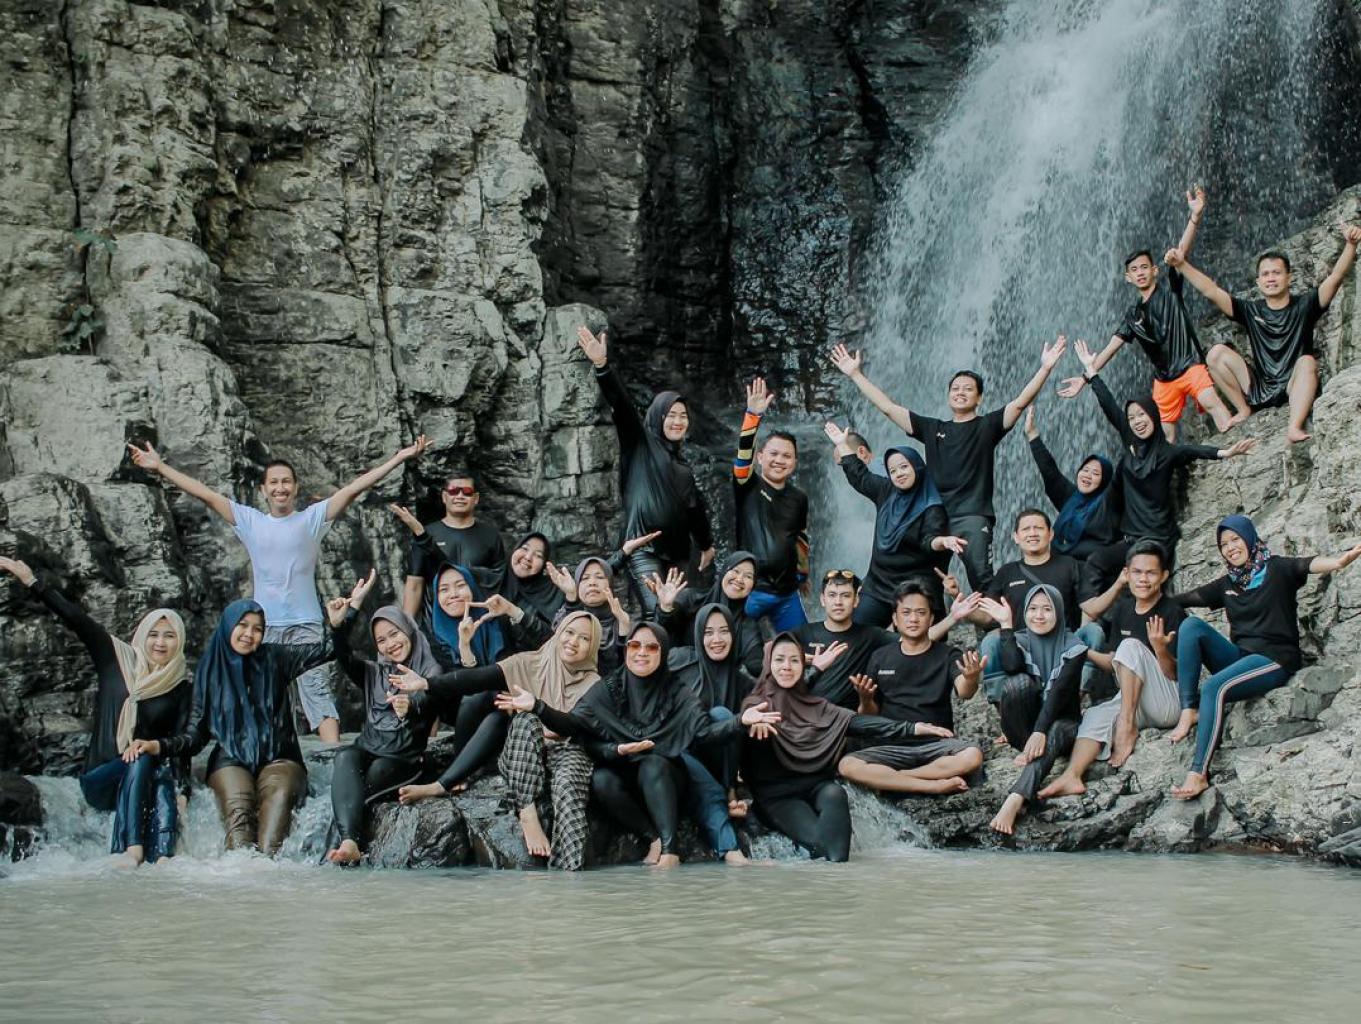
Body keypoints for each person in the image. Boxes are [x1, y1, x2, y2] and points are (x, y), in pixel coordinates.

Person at [127, 435, 429, 743]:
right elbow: (205, 494)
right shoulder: (250, 521)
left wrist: (399, 457)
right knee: (266, 696)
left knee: (317, 693)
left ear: (296, 488)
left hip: (306, 625)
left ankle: (332, 754)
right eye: (273, 482)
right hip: (264, 629)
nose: (280, 487)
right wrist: (160, 467)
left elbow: (354, 488)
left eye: (286, 482)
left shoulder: (312, 519)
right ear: (263, 489)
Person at [501, 622, 782, 867]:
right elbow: (573, 724)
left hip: (666, 778)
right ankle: (652, 838)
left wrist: (740, 721)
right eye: (635, 645)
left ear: (663, 652)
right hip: (624, 774)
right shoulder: (609, 688)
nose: (641, 653)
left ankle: (670, 851)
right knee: (601, 780)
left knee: (653, 763)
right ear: (626, 650)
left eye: (651, 647)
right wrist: (537, 706)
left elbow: (705, 733)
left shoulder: (677, 691)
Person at [829, 335, 1067, 593]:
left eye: (968, 389)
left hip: (972, 516)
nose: (960, 392)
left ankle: (997, 619)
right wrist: (855, 375)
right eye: (955, 388)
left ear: (979, 398)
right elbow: (888, 408)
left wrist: (1045, 369)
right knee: (922, 581)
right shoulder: (932, 428)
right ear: (948, 395)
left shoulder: (987, 427)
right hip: (933, 516)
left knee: (982, 579)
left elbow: (1020, 403)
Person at [1, 557, 190, 867]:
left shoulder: (180, 686)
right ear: (143, 635)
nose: (160, 642)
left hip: (144, 780)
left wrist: (184, 792)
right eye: (154, 634)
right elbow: (76, 619)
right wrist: (31, 581)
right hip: (100, 779)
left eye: (169, 636)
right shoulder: (115, 658)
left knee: (159, 771)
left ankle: (163, 859)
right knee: (141, 758)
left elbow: (180, 744)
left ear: (179, 641)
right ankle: (132, 849)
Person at [393, 612, 606, 870]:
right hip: (524, 752)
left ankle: (569, 873)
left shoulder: (594, 684)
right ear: (558, 633)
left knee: (569, 787)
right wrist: (427, 683)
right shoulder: (528, 663)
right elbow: (477, 679)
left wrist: (538, 706)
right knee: (523, 720)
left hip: (567, 752)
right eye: (569, 633)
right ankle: (527, 814)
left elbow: (572, 726)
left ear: (592, 646)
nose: (573, 641)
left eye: (584, 638)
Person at [1168, 516, 1361, 800]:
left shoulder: (1277, 568)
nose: (1230, 548)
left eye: (1235, 539)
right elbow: (1180, 600)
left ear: (1249, 538)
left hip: (1274, 659)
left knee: (1213, 687)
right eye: (1224, 544)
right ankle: (1189, 708)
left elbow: (1307, 564)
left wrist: (1339, 562)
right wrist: (1150, 599)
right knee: (1191, 626)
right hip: (1241, 658)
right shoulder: (1228, 584)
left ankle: (1198, 774)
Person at [125, 598, 336, 855]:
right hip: (230, 759)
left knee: (279, 798)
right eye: (242, 625)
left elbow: (326, 650)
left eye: (257, 629)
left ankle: (269, 865)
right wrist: (158, 745)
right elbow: (195, 736)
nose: (249, 634)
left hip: (280, 757)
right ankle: (240, 869)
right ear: (228, 626)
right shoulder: (209, 671)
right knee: (238, 810)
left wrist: (338, 623)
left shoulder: (275, 657)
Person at [739, 633, 954, 861]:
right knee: (822, 846)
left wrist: (912, 728)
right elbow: (739, 733)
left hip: (815, 785)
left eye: (794, 660)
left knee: (835, 795)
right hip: (779, 796)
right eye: (779, 660)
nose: (786, 666)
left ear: (803, 666)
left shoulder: (813, 704)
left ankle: (841, 875)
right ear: (768, 664)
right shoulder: (756, 706)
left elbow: (857, 723)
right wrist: (750, 725)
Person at [1065, 340, 1256, 594]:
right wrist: (1091, 372)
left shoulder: (1166, 452)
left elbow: (1194, 451)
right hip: (1131, 537)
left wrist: (1226, 452)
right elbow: (1110, 406)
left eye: (1142, 415)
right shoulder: (1130, 441)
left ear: (1154, 415)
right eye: (1132, 417)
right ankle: (1092, 612)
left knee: (1142, 580)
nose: (1137, 421)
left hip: (1157, 538)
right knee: (1096, 562)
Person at [1056, 187, 1233, 440]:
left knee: (1213, 403)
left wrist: (1195, 217)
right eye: (1134, 270)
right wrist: (1084, 379)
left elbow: (1181, 252)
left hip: (1190, 366)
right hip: (1164, 381)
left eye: (1144, 267)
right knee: (1164, 438)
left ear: (1154, 271)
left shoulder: (1170, 288)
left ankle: (1235, 447)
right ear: (1127, 278)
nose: (1140, 273)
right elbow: (1110, 349)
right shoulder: (1132, 316)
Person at [1167, 221, 1361, 442]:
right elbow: (1211, 291)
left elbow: (1335, 277)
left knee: (1308, 361)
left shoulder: (1306, 305)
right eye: (1266, 274)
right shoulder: (1250, 310)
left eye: (1276, 273)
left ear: (1289, 277)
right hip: (1261, 388)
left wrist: (1351, 245)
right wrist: (1182, 265)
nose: (1271, 278)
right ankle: (1243, 409)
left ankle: (1294, 427)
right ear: (1258, 282)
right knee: (1215, 354)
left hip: (1293, 384)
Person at [576, 325, 716, 612]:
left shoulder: (683, 467)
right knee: (656, 610)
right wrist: (602, 366)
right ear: (658, 416)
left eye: (683, 416)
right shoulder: (640, 443)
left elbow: (695, 511)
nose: (678, 421)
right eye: (671, 415)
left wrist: (706, 545)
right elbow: (622, 407)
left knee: (680, 614)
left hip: (679, 555)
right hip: (643, 550)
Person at [1038, 540, 1186, 798]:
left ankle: (1126, 727)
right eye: (1137, 572)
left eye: (1151, 573)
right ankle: (1072, 775)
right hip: (1135, 700)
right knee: (1095, 714)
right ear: (1126, 573)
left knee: (1130, 646)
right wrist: (1081, 650)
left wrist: (1160, 649)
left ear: (1163, 576)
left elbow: (1176, 675)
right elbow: (1115, 662)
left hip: (1169, 702)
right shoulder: (1124, 609)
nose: (1143, 579)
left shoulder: (1173, 612)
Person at [323, 580, 439, 866]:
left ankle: (335, 855)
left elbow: (432, 699)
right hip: (369, 747)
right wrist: (340, 624)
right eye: (382, 640)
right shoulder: (373, 673)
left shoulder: (431, 669)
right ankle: (347, 846)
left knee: (367, 782)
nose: (391, 644)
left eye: (395, 633)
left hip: (403, 759)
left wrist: (411, 705)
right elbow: (343, 656)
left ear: (408, 629)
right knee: (345, 755)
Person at [838, 582, 986, 795]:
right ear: (895, 619)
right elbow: (870, 715)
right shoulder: (880, 657)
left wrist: (971, 678)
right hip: (891, 746)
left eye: (920, 612)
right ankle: (933, 785)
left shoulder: (947, 654)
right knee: (847, 765)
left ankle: (899, 778)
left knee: (972, 756)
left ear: (931, 618)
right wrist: (865, 699)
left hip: (936, 744)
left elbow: (965, 692)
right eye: (906, 613)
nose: (913, 619)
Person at [823, 421, 965, 624]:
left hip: (915, 586)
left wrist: (943, 541)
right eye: (893, 470)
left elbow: (929, 540)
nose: (899, 474)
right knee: (856, 631)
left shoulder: (931, 506)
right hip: (878, 584)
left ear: (917, 467)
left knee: (917, 640)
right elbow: (860, 476)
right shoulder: (886, 491)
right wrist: (842, 444)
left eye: (904, 467)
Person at [979, 586, 1089, 836]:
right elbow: (1011, 666)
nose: (1039, 615)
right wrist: (1006, 625)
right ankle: (1026, 749)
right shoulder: (1020, 639)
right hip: (1025, 733)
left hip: (1062, 725)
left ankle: (1016, 798)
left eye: (1047, 609)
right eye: (1033, 609)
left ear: (1058, 612)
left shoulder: (1075, 647)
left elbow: (1059, 695)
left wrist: (1040, 732)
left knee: (1058, 728)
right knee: (1017, 683)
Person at [959, 509, 1103, 699]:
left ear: (1051, 534)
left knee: (1093, 631)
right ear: (1016, 537)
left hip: (1063, 643)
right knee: (990, 641)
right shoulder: (1007, 572)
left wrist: (1118, 584)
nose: (1033, 533)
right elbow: (987, 618)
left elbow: (1089, 607)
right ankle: (1005, 709)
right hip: (1021, 646)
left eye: (1039, 528)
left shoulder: (1070, 565)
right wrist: (960, 604)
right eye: (1026, 529)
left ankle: (1074, 698)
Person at [422, 563, 509, 792]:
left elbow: (506, 671)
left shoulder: (495, 621)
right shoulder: (433, 633)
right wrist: (464, 646)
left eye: (460, 586)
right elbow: (450, 683)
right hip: (456, 705)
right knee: (472, 695)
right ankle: (455, 771)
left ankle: (457, 772)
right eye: (444, 589)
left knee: (493, 712)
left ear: (472, 587)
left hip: (499, 702)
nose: (453, 594)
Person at [733, 377, 811, 630]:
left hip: (786, 592)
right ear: (760, 457)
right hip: (751, 589)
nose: (780, 460)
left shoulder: (799, 497)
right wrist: (753, 416)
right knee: (737, 642)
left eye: (787, 456)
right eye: (774, 454)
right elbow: (742, 458)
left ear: (795, 462)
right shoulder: (747, 485)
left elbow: (800, 539)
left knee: (800, 644)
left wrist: (803, 575)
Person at [668, 603, 757, 815]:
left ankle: (730, 792)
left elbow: (774, 697)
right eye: (708, 633)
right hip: (681, 754)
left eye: (724, 631)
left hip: (718, 763)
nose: (717, 640)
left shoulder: (742, 682)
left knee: (723, 715)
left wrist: (813, 671)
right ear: (698, 634)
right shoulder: (679, 659)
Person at [391, 471, 506, 620]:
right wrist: (407, 626)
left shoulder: (491, 536)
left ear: (476, 498)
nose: (460, 496)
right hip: (436, 622)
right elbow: (414, 585)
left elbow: (500, 582)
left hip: (480, 619)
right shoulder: (426, 534)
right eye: (453, 491)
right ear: (444, 497)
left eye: (467, 492)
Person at [1022, 406, 1117, 561]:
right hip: (1056, 563)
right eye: (1085, 470)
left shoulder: (1108, 504)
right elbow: (1050, 471)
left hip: (1090, 568)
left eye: (1095, 473)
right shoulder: (1071, 497)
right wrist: (1032, 434)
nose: (1088, 475)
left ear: (1104, 481)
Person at [794, 570, 895, 709]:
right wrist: (796, 658)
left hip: (848, 717)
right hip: (809, 713)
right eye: (832, 595)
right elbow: (769, 654)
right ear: (822, 599)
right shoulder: (803, 633)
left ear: (856, 600)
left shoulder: (872, 636)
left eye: (845, 596)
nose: (838, 602)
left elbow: (912, 642)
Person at [655, 550, 764, 675]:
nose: (739, 579)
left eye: (748, 576)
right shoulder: (692, 599)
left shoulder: (747, 625)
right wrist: (666, 608)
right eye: (735, 571)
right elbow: (662, 629)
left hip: (717, 681)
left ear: (753, 586)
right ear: (724, 571)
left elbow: (756, 663)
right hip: (676, 672)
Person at [544, 556, 631, 676]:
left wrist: (624, 632)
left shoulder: (622, 619)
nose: (592, 583)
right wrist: (572, 600)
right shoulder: (566, 613)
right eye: (585, 578)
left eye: (600, 577)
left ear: (610, 584)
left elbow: (622, 667)